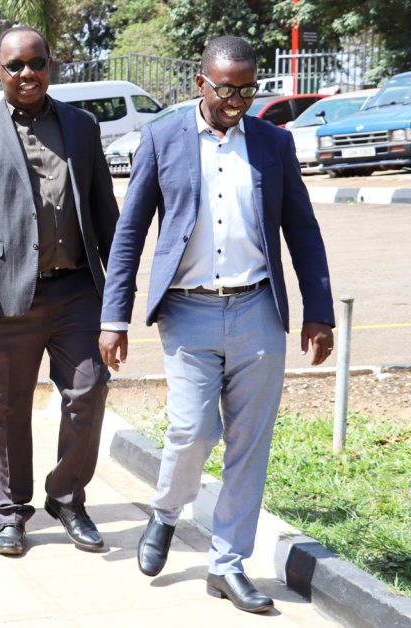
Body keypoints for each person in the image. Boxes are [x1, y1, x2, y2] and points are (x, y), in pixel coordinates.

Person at [99, 35, 334, 613]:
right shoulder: (162, 137)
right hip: (187, 310)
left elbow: (302, 230)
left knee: (249, 446)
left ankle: (227, 564)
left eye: (248, 89)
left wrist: (319, 312)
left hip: (258, 309)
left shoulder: (274, 144)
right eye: (226, 88)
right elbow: (130, 234)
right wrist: (115, 316)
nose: (237, 100)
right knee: (193, 430)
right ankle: (165, 512)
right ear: (201, 83)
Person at [0, 26, 119, 557]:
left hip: (77, 291)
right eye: (15, 65)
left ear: (51, 65)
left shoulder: (81, 127)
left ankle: (65, 496)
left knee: (88, 392)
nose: (27, 73)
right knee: (7, 410)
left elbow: (105, 211)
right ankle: (10, 513)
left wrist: (121, 290)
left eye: (36, 62)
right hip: (4, 293)